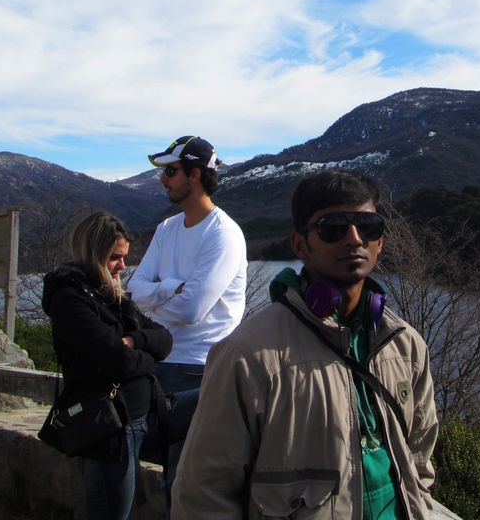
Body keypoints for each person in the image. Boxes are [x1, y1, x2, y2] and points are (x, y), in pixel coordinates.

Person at [172, 169, 439, 520]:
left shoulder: (405, 346)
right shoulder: (247, 355)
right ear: (300, 245)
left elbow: (419, 458)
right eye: (333, 227)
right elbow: (203, 495)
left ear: (381, 242)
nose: (354, 238)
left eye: (368, 226)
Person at [42, 211, 173, 520]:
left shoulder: (112, 294)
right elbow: (119, 362)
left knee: (205, 406)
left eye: (125, 257)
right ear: (94, 254)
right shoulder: (70, 299)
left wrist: (134, 341)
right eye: (115, 257)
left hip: (144, 415)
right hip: (109, 430)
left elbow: (165, 339)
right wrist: (143, 353)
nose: (123, 266)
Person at [126, 135, 248, 396]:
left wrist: (151, 306)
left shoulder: (223, 234)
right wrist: (171, 288)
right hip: (156, 358)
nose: (162, 179)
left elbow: (191, 310)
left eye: (171, 171)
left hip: (199, 367)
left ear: (194, 175)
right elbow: (133, 292)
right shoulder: (166, 229)